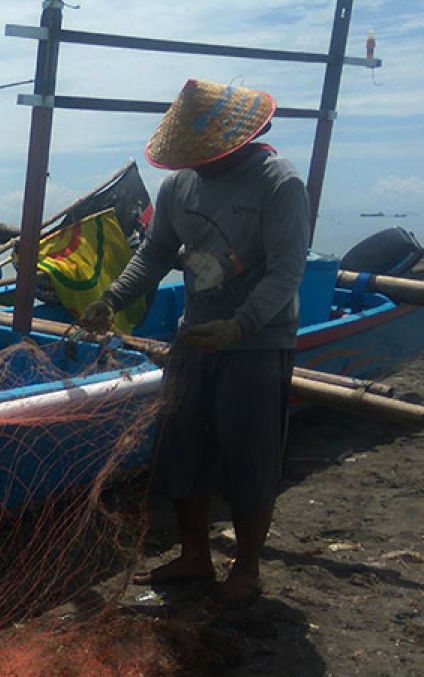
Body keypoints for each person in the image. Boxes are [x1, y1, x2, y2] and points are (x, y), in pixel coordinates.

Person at [77, 79, 310, 606]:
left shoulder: (278, 183)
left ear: (237, 141)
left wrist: (241, 325)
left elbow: (287, 270)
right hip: (195, 337)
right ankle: (193, 555)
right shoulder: (180, 188)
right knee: (182, 448)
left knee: (249, 455)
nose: (198, 164)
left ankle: (246, 567)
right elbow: (155, 254)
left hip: (257, 344)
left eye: (206, 155)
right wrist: (112, 297)